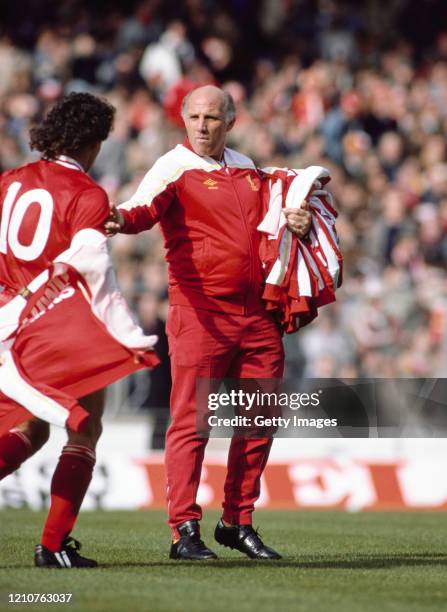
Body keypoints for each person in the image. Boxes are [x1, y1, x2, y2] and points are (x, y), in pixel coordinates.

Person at [106, 85, 312, 560]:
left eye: (212, 118)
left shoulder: (249, 169)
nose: (202, 126)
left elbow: (276, 225)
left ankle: (236, 521)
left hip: (259, 315)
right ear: (183, 119)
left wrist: (297, 222)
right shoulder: (173, 166)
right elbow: (141, 210)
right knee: (191, 422)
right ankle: (183, 530)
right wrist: (116, 218)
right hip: (200, 312)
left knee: (259, 420)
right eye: (195, 117)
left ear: (230, 122)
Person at [0, 92, 159, 568]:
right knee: (84, 429)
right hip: (52, 326)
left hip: (7, 324)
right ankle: (51, 548)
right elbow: (87, 269)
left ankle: (54, 546)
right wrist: (120, 331)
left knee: (27, 427)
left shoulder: (8, 182)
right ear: (93, 142)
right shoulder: (88, 195)